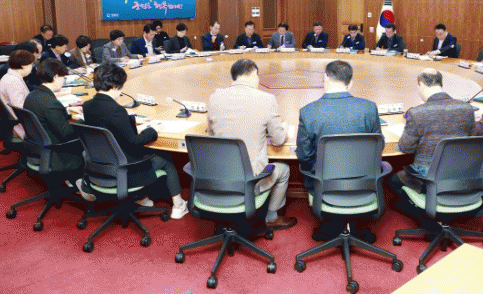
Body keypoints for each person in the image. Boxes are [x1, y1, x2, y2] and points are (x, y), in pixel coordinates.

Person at [83, 63, 188, 219]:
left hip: (99, 167)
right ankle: (178, 205)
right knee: (166, 158)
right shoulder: (116, 110)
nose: (121, 91)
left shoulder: (87, 106)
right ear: (114, 86)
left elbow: (107, 125)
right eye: (121, 87)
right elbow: (134, 142)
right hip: (125, 171)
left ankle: (142, 198)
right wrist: (151, 131)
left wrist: (129, 120)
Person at [206, 59, 297, 230]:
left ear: (234, 77)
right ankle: (272, 217)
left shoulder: (214, 98)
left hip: (217, 177)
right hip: (250, 181)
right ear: (254, 74)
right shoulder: (267, 99)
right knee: (284, 169)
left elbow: (211, 134)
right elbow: (278, 140)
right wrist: (283, 128)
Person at [296, 60, 381, 241]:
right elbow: (378, 147)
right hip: (363, 185)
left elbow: (304, 156)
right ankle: (357, 224)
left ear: (325, 78)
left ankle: (331, 225)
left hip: (324, 186)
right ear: (350, 83)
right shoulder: (369, 108)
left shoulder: (308, 112)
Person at [388, 69, 475, 195]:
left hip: (427, 177)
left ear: (421, 84)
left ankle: (419, 204)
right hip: (461, 174)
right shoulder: (467, 108)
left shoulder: (417, 112)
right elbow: (472, 139)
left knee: (392, 180)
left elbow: (405, 148)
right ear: (441, 84)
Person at [22, 59, 91, 199]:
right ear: (55, 77)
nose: (63, 81)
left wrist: (68, 113)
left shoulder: (33, 96)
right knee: (91, 142)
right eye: (63, 78)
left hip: (37, 146)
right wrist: (84, 118)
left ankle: (73, 179)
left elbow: (49, 117)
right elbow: (67, 133)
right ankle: (83, 182)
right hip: (56, 151)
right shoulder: (50, 102)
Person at [0, 50, 35, 138]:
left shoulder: (10, 77)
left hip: (19, 121)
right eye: (32, 64)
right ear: (23, 65)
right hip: (21, 125)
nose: (32, 67)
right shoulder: (13, 81)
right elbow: (20, 109)